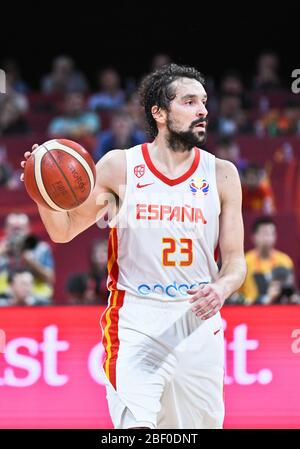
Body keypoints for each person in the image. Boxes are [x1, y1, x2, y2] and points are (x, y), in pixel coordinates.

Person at [21, 64, 246, 429]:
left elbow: (236, 263)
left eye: (204, 101)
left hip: (198, 322)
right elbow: (63, 232)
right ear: (158, 112)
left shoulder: (221, 174)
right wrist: (42, 190)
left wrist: (221, 287)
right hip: (136, 320)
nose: (203, 110)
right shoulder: (121, 167)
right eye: (189, 102)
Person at [239, 217, 295, 304]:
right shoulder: (244, 262)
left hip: (279, 309)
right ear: (254, 236)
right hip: (251, 310)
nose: (268, 238)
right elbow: (238, 296)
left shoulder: (285, 261)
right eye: (264, 233)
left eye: (271, 234)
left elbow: (290, 291)